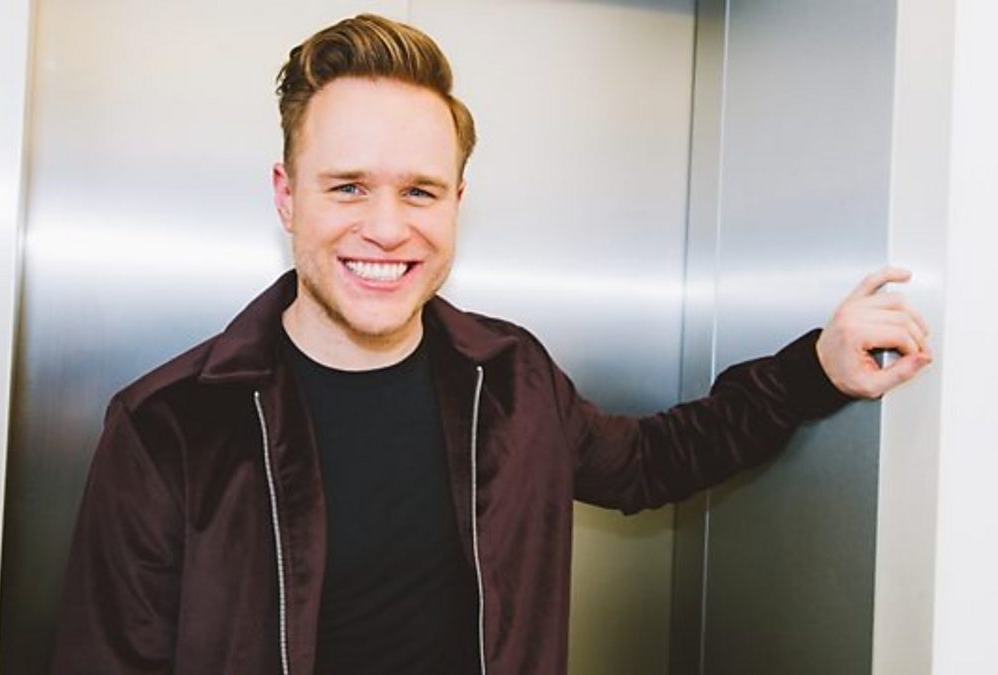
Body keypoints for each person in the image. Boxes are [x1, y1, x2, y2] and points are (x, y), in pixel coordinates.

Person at [49, 14, 931, 675]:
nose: (386, 227)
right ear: (287, 195)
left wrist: (814, 369)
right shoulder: (169, 425)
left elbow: (652, 460)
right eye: (348, 186)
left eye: (420, 191)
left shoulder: (510, 380)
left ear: (458, 201)